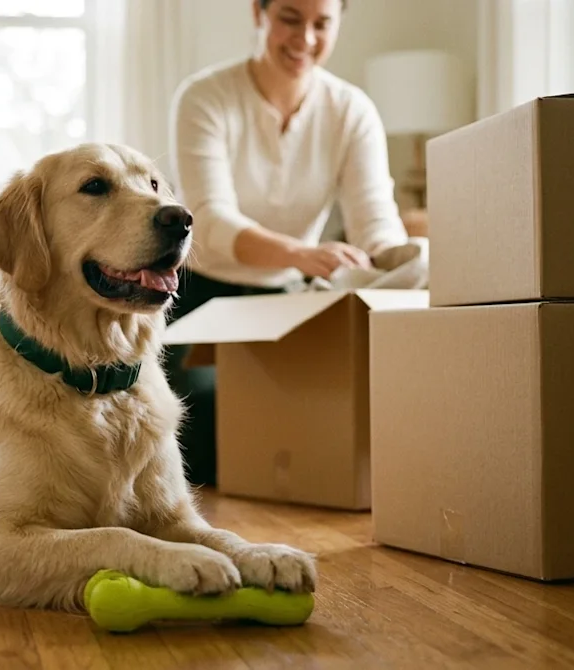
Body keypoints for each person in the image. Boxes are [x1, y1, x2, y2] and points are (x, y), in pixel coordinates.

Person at [165, 0, 410, 486]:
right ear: (259, 12)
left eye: (323, 24)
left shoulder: (351, 111)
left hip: (287, 302)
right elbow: (210, 221)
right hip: (197, 295)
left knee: (312, 428)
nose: (306, 40)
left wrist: (405, 258)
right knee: (197, 430)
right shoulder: (205, 96)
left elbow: (374, 221)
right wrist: (301, 254)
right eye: (290, 19)